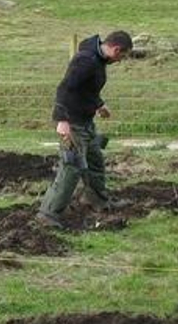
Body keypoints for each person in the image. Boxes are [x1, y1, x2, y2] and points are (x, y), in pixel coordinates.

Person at [37, 31, 133, 226]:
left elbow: (86, 89)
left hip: (86, 122)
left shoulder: (98, 59)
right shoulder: (86, 61)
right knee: (71, 167)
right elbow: (65, 88)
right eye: (122, 56)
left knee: (95, 160)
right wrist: (62, 120)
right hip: (72, 122)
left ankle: (96, 199)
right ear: (116, 49)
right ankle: (48, 214)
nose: (121, 60)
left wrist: (99, 104)